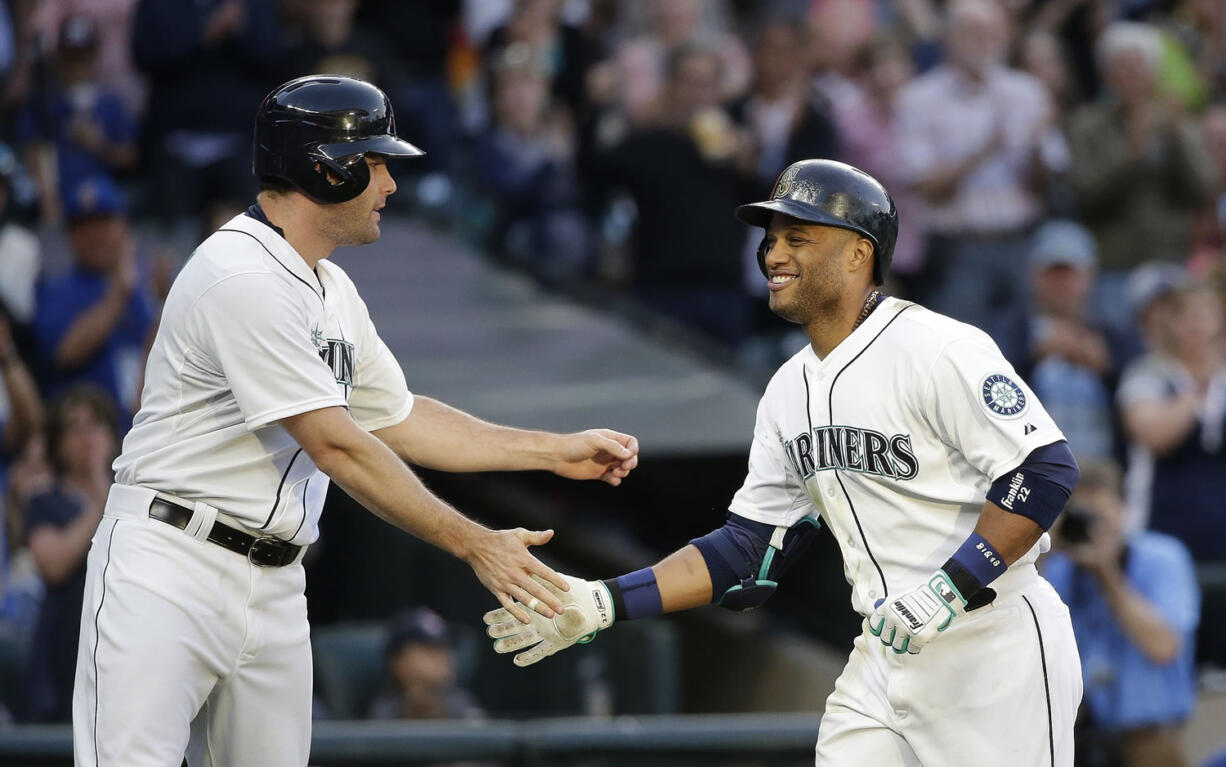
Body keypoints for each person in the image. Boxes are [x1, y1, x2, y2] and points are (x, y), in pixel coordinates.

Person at [72, 75, 639, 767]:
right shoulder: (239, 272)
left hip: (275, 577)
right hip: (170, 560)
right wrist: (473, 542)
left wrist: (549, 451)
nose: (390, 185)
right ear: (325, 168)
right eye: (374, 163)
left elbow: (398, 418)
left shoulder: (331, 287)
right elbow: (338, 445)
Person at [486, 159, 1083, 766]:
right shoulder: (786, 389)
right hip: (883, 652)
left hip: (992, 646)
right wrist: (606, 601)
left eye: (799, 237)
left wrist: (948, 588)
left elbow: (1043, 470)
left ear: (859, 253)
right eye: (771, 238)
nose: (773, 253)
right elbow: (747, 551)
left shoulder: (937, 348)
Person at [1043, 459, 1199, 767]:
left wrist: (1106, 572)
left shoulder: (1162, 557)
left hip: (1149, 738)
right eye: (1081, 519)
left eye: (1100, 517)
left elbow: (1163, 646)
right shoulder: (1059, 567)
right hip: (1076, 735)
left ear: (1123, 509)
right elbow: (1030, 645)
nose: (1092, 530)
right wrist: (1045, 548)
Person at [19, 385, 117, 723]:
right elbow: (54, 565)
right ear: (58, 443)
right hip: (64, 650)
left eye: (95, 424)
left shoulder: (136, 495)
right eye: (74, 427)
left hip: (120, 641)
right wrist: (101, 500)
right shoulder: (44, 501)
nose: (86, 436)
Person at [32, 174, 155, 427]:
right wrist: (118, 295)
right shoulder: (56, 290)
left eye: (103, 223)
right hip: (87, 435)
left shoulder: (150, 280)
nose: (94, 235)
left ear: (124, 226)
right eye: (83, 226)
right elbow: (66, 353)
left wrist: (165, 300)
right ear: (70, 236)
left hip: (150, 433)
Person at [368, 607, 483, 721]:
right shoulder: (384, 709)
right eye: (430, 649)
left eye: (445, 647)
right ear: (399, 661)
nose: (443, 657)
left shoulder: (463, 705)